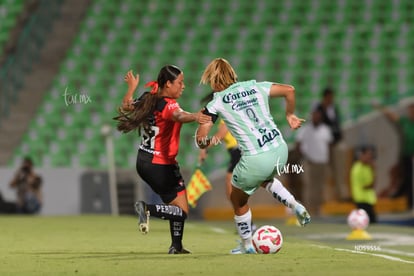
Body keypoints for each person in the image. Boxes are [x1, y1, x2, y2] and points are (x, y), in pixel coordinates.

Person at [195, 58, 311, 254]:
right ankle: (294, 204)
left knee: (237, 199)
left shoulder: (216, 102)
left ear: (214, 82)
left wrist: (203, 143)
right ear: (233, 75)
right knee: (265, 178)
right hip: (280, 150)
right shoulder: (255, 86)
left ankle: (247, 244)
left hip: (255, 158)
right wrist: (290, 115)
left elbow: (201, 137)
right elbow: (289, 90)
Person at [113, 66, 210, 254]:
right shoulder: (168, 104)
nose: (183, 86)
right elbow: (179, 116)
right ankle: (147, 209)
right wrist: (196, 116)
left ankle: (176, 246)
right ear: (168, 84)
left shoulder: (149, 98)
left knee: (178, 207)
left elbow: (126, 105)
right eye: (180, 82)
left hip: (144, 161)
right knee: (182, 212)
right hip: (161, 165)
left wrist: (131, 88)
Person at [295, 108, 333, 216]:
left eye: (318, 115)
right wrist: (303, 157)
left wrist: (329, 160)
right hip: (310, 162)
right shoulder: (305, 130)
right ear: (312, 116)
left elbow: (329, 146)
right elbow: (298, 144)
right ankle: (308, 210)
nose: (316, 117)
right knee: (310, 187)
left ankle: (318, 209)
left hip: (322, 162)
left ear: (320, 116)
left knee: (320, 186)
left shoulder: (325, 129)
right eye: (314, 115)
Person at [377, 102, 414, 209]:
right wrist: (381, 107)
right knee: (407, 179)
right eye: (411, 109)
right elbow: (392, 116)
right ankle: (409, 204)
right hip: (407, 156)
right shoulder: (405, 122)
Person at [350, 146, 377, 223]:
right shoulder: (357, 168)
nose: (370, 157)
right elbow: (368, 186)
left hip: (369, 199)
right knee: (366, 222)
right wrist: (374, 170)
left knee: (373, 222)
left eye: (371, 155)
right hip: (361, 200)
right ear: (362, 155)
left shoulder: (368, 167)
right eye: (368, 154)